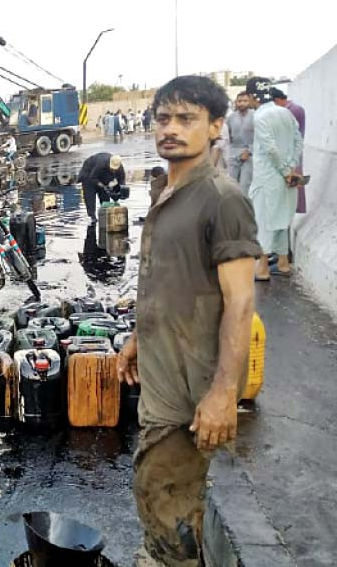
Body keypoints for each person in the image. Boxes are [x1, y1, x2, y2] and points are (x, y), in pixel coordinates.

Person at [118, 75, 261, 567]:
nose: (171, 129)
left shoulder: (222, 200)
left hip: (191, 389)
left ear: (216, 126)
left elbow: (240, 303)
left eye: (186, 119)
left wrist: (224, 395)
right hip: (161, 371)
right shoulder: (168, 189)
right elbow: (166, 281)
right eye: (163, 119)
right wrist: (138, 336)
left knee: (168, 495)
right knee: (159, 489)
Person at [246, 77, 304, 280]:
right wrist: (290, 168)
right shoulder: (285, 112)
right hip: (285, 178)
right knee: (281, 221)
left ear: (253, 96)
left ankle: (262, 268)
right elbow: (298, 141)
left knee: (262, 221)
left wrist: (283, 170)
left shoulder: (260, 118)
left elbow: (270, 148)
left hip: (267, 178)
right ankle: (283, 263)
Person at [272, 87, 307, 214]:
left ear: (277, 100)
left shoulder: (294, 110)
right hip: (288, 151)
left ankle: (293, 211)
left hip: (292, 152)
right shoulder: (290, 109)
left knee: (293, 184)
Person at [77, 153, 125, 220]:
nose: (113, 170)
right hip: (88, 174)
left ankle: (105, 215)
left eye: (115, 170)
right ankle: (92, 217)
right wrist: (103, 186)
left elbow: (122, 180)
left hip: (102, 176)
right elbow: (93, 177)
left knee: (105, 198)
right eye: (112, 169)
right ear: (109, 164)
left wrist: (120, 192)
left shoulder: (119, 166)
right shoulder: (101, 164)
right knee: (90, 196)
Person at [225, 91, 255, 195]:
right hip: (234, 152)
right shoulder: (231, 117)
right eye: (239, 101)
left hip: (250, 153)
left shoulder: (255, 116)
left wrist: (249, 151)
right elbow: (228, 135)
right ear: (236, 102)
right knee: (230, 185)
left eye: (245, 101)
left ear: (250, 101)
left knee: (244, 186)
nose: (242, 103)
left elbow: (259, 138)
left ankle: (245, 210)